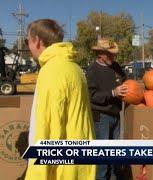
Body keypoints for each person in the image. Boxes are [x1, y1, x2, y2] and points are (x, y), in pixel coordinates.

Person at [25, 19, 96, 180]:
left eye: (27, 40)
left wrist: (36, 174)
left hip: (61, 169)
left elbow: (46, 127)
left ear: (37, 41)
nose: (28, 46)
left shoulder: (51, 71)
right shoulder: (75, 68)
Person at [86, 38, 129, 180]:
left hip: (116, 115)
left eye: (113, 54)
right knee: (102, 157)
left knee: (115, 154)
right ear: (100, 54)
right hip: (101, 117)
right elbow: (91, 96)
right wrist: (112, 93)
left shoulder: (116, 66)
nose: (112, 57)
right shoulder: (92, 70)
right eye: (108, 54)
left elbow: (126, 81)